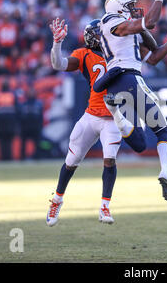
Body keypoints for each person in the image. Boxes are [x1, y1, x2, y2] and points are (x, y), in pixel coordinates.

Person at [93, 0, 167, 203]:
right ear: (118, 8)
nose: (134, 9)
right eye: (129, 6)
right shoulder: (110, 22)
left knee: (139, 144)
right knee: (162, 130)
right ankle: (166, 171)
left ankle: (116, 113)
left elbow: (152, 57)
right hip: (129, 79)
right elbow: (149, 21)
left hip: (116, 87)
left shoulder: (131, 29)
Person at [46, 18, 122, 226]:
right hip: (91, 115)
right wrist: (57, 43)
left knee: (110, 159)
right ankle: (57, 199)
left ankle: (105, 206)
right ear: (93, 36)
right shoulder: (83, 54)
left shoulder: (119, 53)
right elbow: (58, 64)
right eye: (102, 32)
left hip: (113, 117)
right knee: (71, 161)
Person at [0, 79, 18, 160]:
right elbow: (17, 108)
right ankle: (7, 158)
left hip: (3, 122)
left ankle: (6, 158)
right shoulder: (11, 95)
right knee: (6, 141)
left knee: (5, 141)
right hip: (7, 122)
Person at [19, 87, 44, 160]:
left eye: (32, 92)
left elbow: (41, 116)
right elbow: (20, 116)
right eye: (30, 92)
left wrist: (40, 126)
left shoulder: (38, 103)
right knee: (23, 144)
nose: (31, 94)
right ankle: (22, 158)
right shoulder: (23, 104)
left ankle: (37, 158)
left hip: (35, 128)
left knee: (37, 144)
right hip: (25, 128)